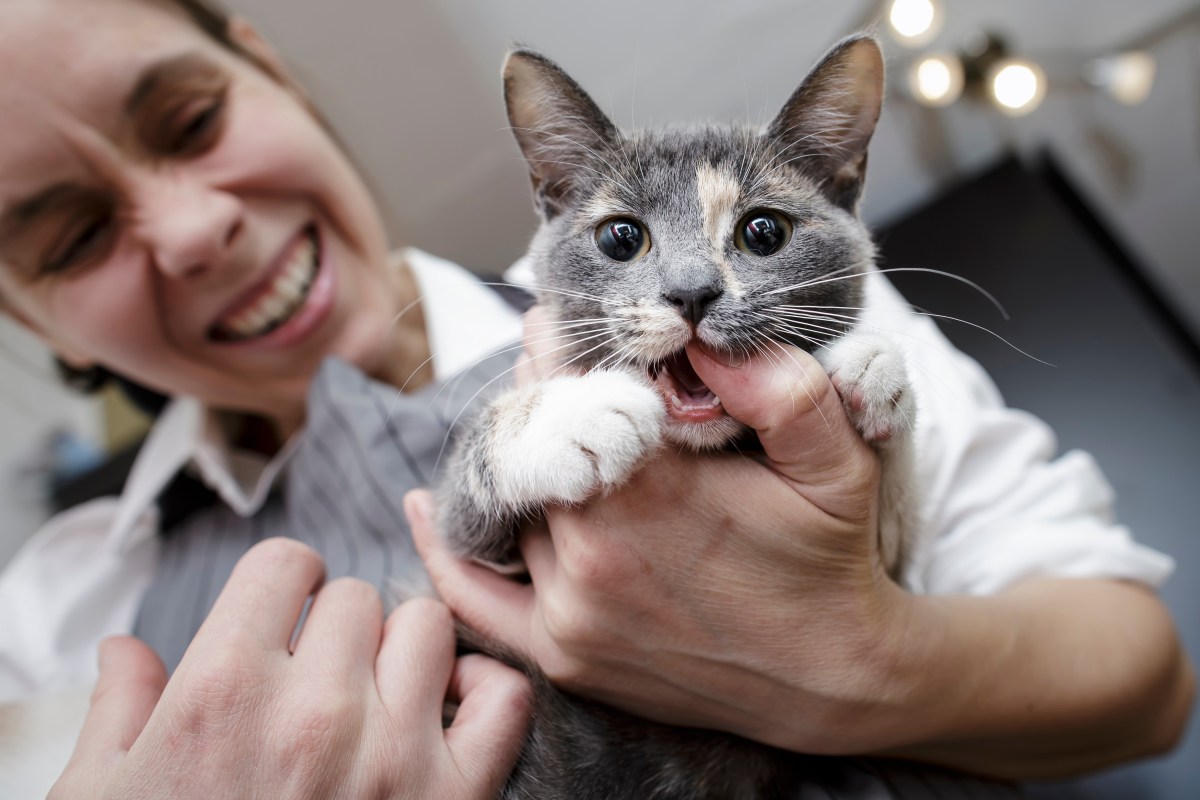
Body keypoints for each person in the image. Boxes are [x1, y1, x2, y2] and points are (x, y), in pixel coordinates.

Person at [0, 0, 1191, 796]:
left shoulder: (810, 327)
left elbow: (1150, 677)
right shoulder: (58, 611)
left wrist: (860, 661)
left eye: (192, 120)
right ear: (21, 315)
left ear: (264, 64)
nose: (197, 227)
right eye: (74, 236)